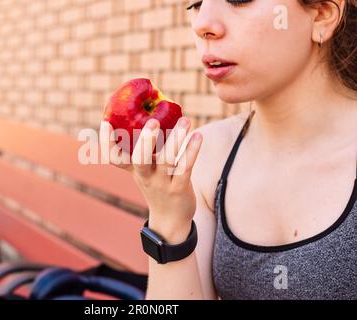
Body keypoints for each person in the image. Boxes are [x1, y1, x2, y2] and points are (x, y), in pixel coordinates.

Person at [100, 0, 356, 299]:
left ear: (323, 14)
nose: (202, 24)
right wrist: (168, 218)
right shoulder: (210, 154)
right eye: (196, 3)